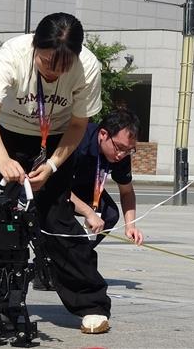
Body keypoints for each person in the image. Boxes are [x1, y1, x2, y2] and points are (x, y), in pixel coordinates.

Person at [0, 12, 103, 335]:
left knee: (57, 219)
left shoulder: (88, 68)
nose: (53, 71)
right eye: (47, 62)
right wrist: (3, 160)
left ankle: (92, 303)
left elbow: (78, 125)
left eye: (63, 66)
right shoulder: (12, 54)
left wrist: (53, 165)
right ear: (35, 46)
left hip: (55, 140)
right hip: (5, 134)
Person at [66, 107, 145, 334]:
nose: (121, 155)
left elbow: (127, 192)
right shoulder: (78, 141)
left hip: (87, 188)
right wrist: (88, 213)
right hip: (57, 187)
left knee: (110, 214)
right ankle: (59, 261)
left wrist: (131, 225)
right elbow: (56, 186)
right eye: (119, 148)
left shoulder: (121, 153)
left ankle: (76, 257)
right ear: (103, 135)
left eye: (129, 151)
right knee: (61, 219)